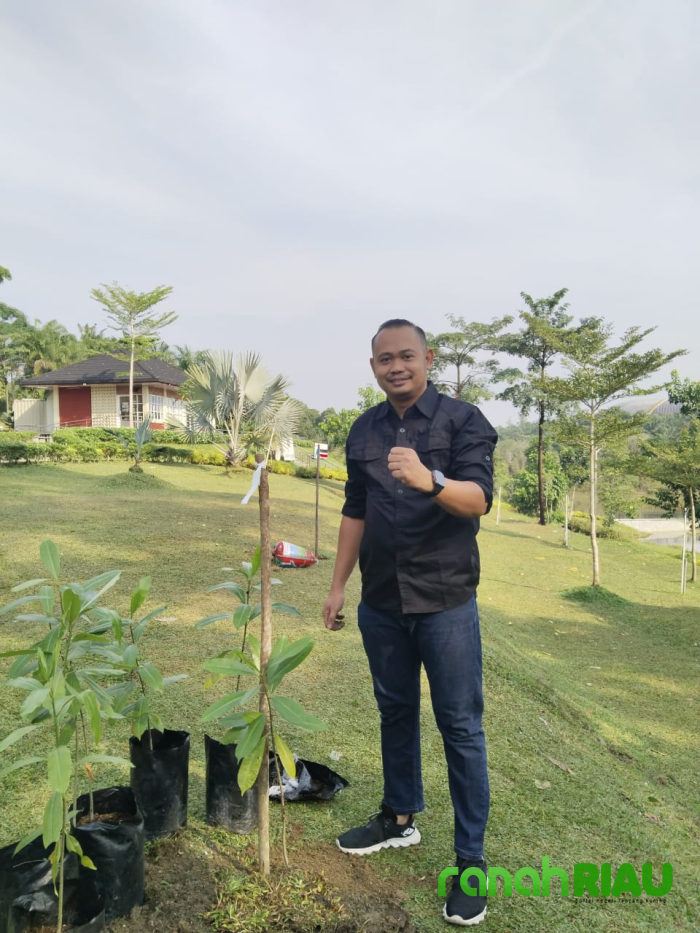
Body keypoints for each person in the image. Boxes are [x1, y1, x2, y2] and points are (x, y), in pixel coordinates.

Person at [322, 318, 497, 927]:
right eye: (383, 360)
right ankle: (398, 819)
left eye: (406, 357)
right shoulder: (364, 429)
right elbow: (356, 510)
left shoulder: (462, 421)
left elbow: (479, 499)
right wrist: (339, 584)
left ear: (428, 359)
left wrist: (432, 479)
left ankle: (470, 864)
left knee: (460, 728)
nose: (395, 367)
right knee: (394, 710)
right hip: (382, 603)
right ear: (373, 367)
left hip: (446, 603)